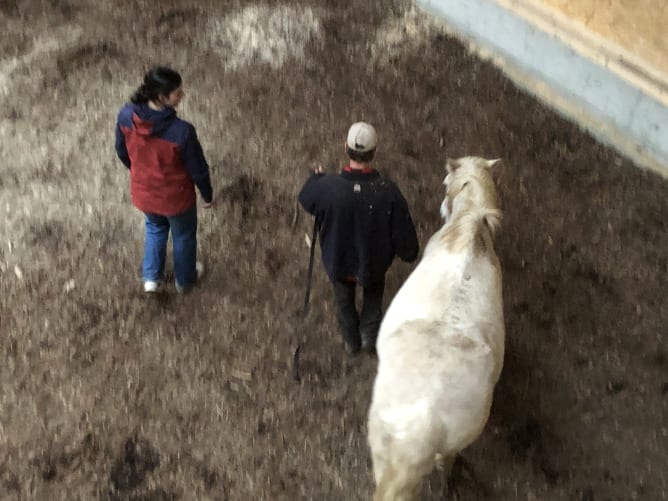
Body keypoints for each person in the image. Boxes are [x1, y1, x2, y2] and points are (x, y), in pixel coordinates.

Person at [298, 122, 419, 355]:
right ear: (374, 152)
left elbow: (306, 197)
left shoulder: (327, 187)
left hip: (339, 262)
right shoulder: (388, 192)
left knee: (344, 304)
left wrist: (316, 179)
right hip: (373, 265)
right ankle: (369, 339)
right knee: (373, 304)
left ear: (346, 148)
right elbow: (409, 250)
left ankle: (351, 343)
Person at [115, 66, 214, 293]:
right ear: (161, 97)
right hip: (176, 200)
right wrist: (207, 194)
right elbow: (198, 169)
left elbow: (121, 150)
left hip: (145, 194)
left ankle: (151, 279)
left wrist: (139, 171)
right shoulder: (182, 132)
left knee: (155, 228)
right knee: (183, 236)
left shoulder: (126, 116)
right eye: (177, 93)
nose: (182, 96)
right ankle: (185, 281)